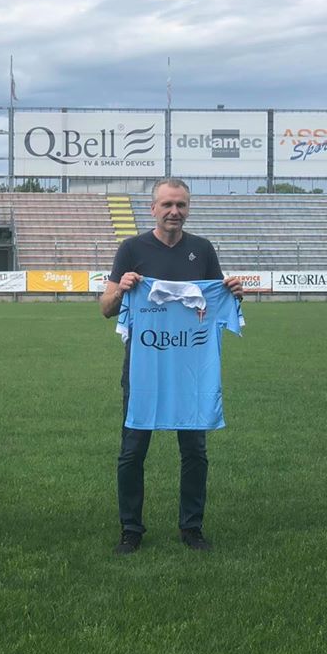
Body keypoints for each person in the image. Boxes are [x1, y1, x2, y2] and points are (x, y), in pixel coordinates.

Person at [100, 178, 243, 554]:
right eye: (167, 205)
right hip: (144, 367)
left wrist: (231, 292)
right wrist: (122, 288)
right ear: (153, 209)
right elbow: (105, 308)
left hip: (191, 369)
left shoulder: (202, 250)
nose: (174, 212)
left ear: (188, 209)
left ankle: (192, 528)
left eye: (180, 205)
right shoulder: (131, 249)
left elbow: (212, 302)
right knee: (132, 450)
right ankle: (131, 529)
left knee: (195, 451)